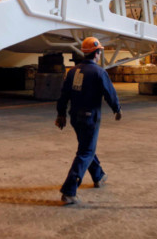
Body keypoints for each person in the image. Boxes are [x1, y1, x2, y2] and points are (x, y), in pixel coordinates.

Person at [55, 37, 122, 205]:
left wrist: (61, 114)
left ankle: (98, 175)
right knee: (85, 152)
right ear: (97, 53)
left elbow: (64, 95)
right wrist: (117, 109)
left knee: (86, 147)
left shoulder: (73, 71)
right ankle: (69, 191)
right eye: (100, 51)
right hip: (90, 118)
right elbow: (110, 93)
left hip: (75, 118)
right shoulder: (99, 72)